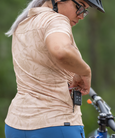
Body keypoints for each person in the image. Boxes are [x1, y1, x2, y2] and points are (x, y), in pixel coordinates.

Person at [5, 0, 104, 137]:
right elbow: (60, 50)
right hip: (56, 123)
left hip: (15, 124)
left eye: (85, 11)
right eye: (79, 6)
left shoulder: (23, 23)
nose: (81, 15)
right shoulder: (56, 19)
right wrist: (85, 71)